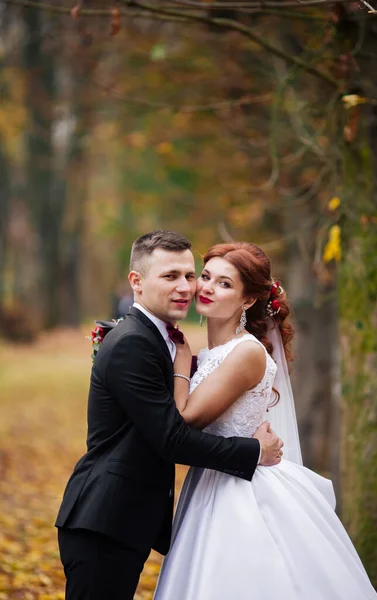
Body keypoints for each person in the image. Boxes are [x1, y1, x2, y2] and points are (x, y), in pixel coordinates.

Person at [55, 231, 284, 600]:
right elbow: (172, 437)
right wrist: (253, 452)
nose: (188, 287)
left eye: (190, 275)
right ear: (136, 282)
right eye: (170, 276)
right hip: (104, 521)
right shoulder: (135, 342)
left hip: (130, 518)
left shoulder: (171, 342)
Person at [154, 241, 377, 600]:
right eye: (206, 276)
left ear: (247, 301)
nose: (208, 287)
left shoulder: (246, 353)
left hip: (240, 490)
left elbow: (186, 418)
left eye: (225, 283)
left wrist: (181, 363)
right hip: (212, 477)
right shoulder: (214, 352)